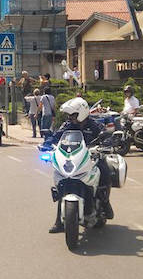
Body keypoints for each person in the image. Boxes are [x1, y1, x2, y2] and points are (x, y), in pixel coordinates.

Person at [40, 97, 113, 233]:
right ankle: (59, 223)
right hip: (73, 158)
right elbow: (57, 136)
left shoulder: (94, 125)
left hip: (91, 156)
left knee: (104, 169)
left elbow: (105, 135)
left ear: (82, 112)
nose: (70, 118)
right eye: (70, 115)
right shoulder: (68, 125)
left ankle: (105, 202)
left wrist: (107, 142)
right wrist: (47, 143)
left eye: (73, 115)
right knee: (63, 182)